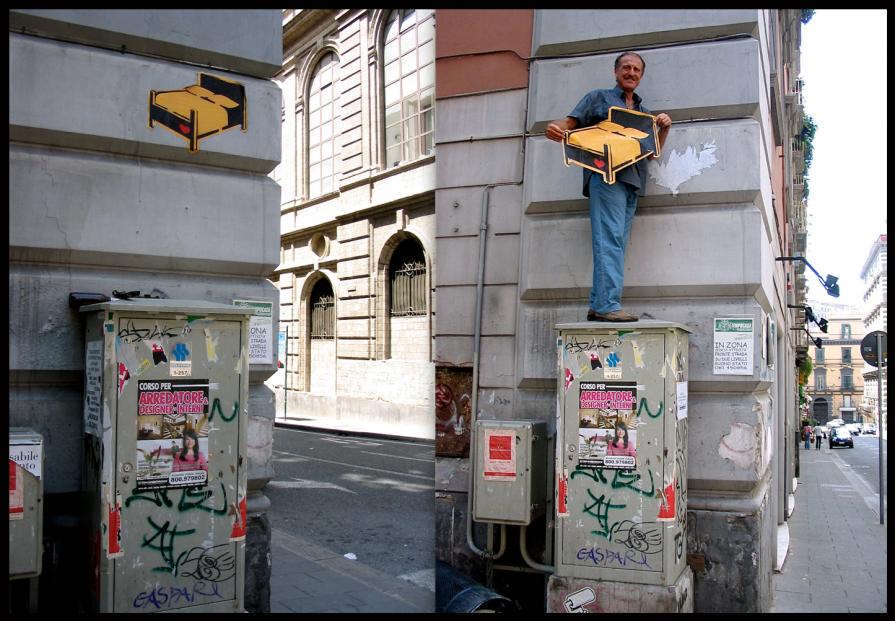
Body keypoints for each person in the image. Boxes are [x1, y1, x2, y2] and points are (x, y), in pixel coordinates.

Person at [546, 51, 672, 322]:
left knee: (614, 243)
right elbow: (568, 124)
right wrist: (554, 128)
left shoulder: (643, 113)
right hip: (606, 178)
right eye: (626, 67)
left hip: (632, 182)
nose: (631, 72)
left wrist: (663, 128)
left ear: (641, 75)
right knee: (610, 240)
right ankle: (607, 306)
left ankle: (599, 303)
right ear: (616, 72)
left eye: (637, 69)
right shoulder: (598, 97)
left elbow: (652, 151)